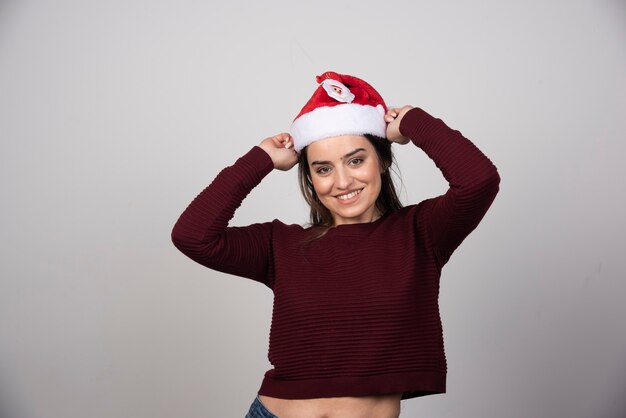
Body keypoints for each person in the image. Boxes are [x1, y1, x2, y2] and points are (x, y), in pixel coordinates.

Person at [171, 71, 500, 418]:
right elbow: (192, 235)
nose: (342, 182)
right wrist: (261, 159)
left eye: (356, 160)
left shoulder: (421, 233)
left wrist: (414, 122)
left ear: (383, 160)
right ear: (310, 178)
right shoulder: (281, 245)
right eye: (323, 168)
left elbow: (479, 180)